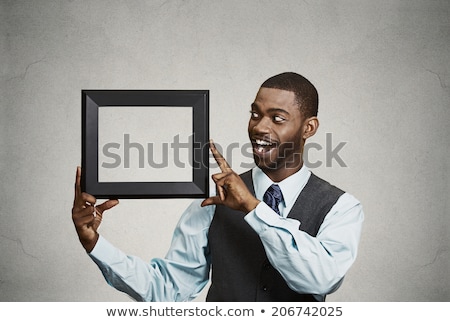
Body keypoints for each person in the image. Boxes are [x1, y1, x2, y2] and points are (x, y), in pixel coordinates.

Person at [72, 72, 364, 302]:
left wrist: (253, 208)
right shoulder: (214, 201)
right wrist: (95, 243)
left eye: (277, 118)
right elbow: (167, 291)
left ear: (309, 128)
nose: (260, 127)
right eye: (255, 114)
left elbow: (321, 278)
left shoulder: (341, 207)